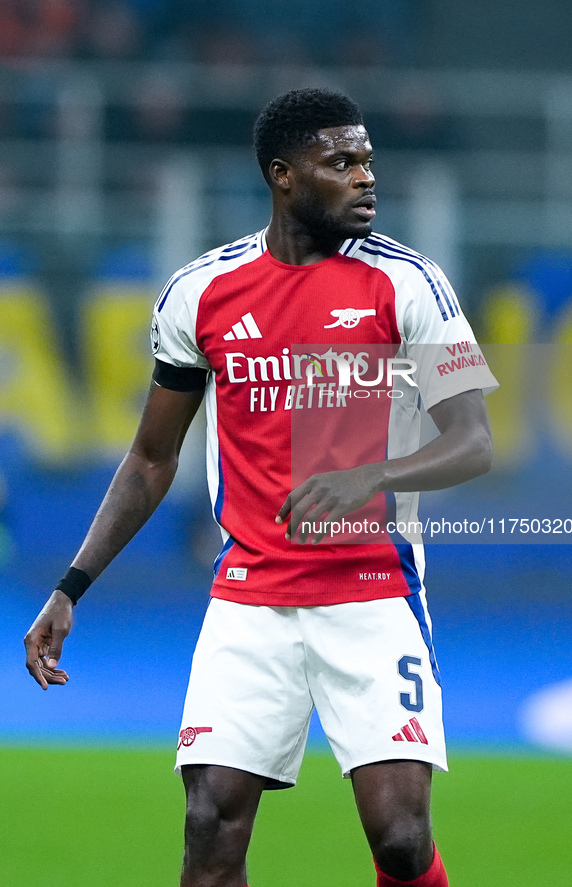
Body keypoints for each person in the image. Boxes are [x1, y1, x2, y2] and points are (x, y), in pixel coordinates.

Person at [25, 88, 497, 887]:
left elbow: (472, 441)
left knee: (400, 839)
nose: (364, 178)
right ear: (283, 175)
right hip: (249, 597)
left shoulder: (409, 284)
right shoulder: (202, 293)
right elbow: (149, 458)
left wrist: (370, 476)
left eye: (368, 162)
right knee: (209, 828)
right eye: (341, 162)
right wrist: (71, 587)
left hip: (371, 590)